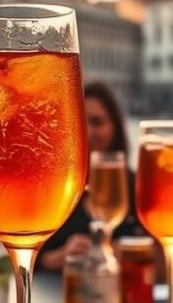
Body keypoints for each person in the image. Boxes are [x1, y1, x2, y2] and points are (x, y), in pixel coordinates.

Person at [39, 82, 143, 272]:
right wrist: (60, 257)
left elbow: (156, 255)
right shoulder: (56, 190)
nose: (87, 132)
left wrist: (127, 253)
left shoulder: (136, 187)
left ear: (115, 128)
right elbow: (29, 255)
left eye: (97, 122)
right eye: (78, 122)